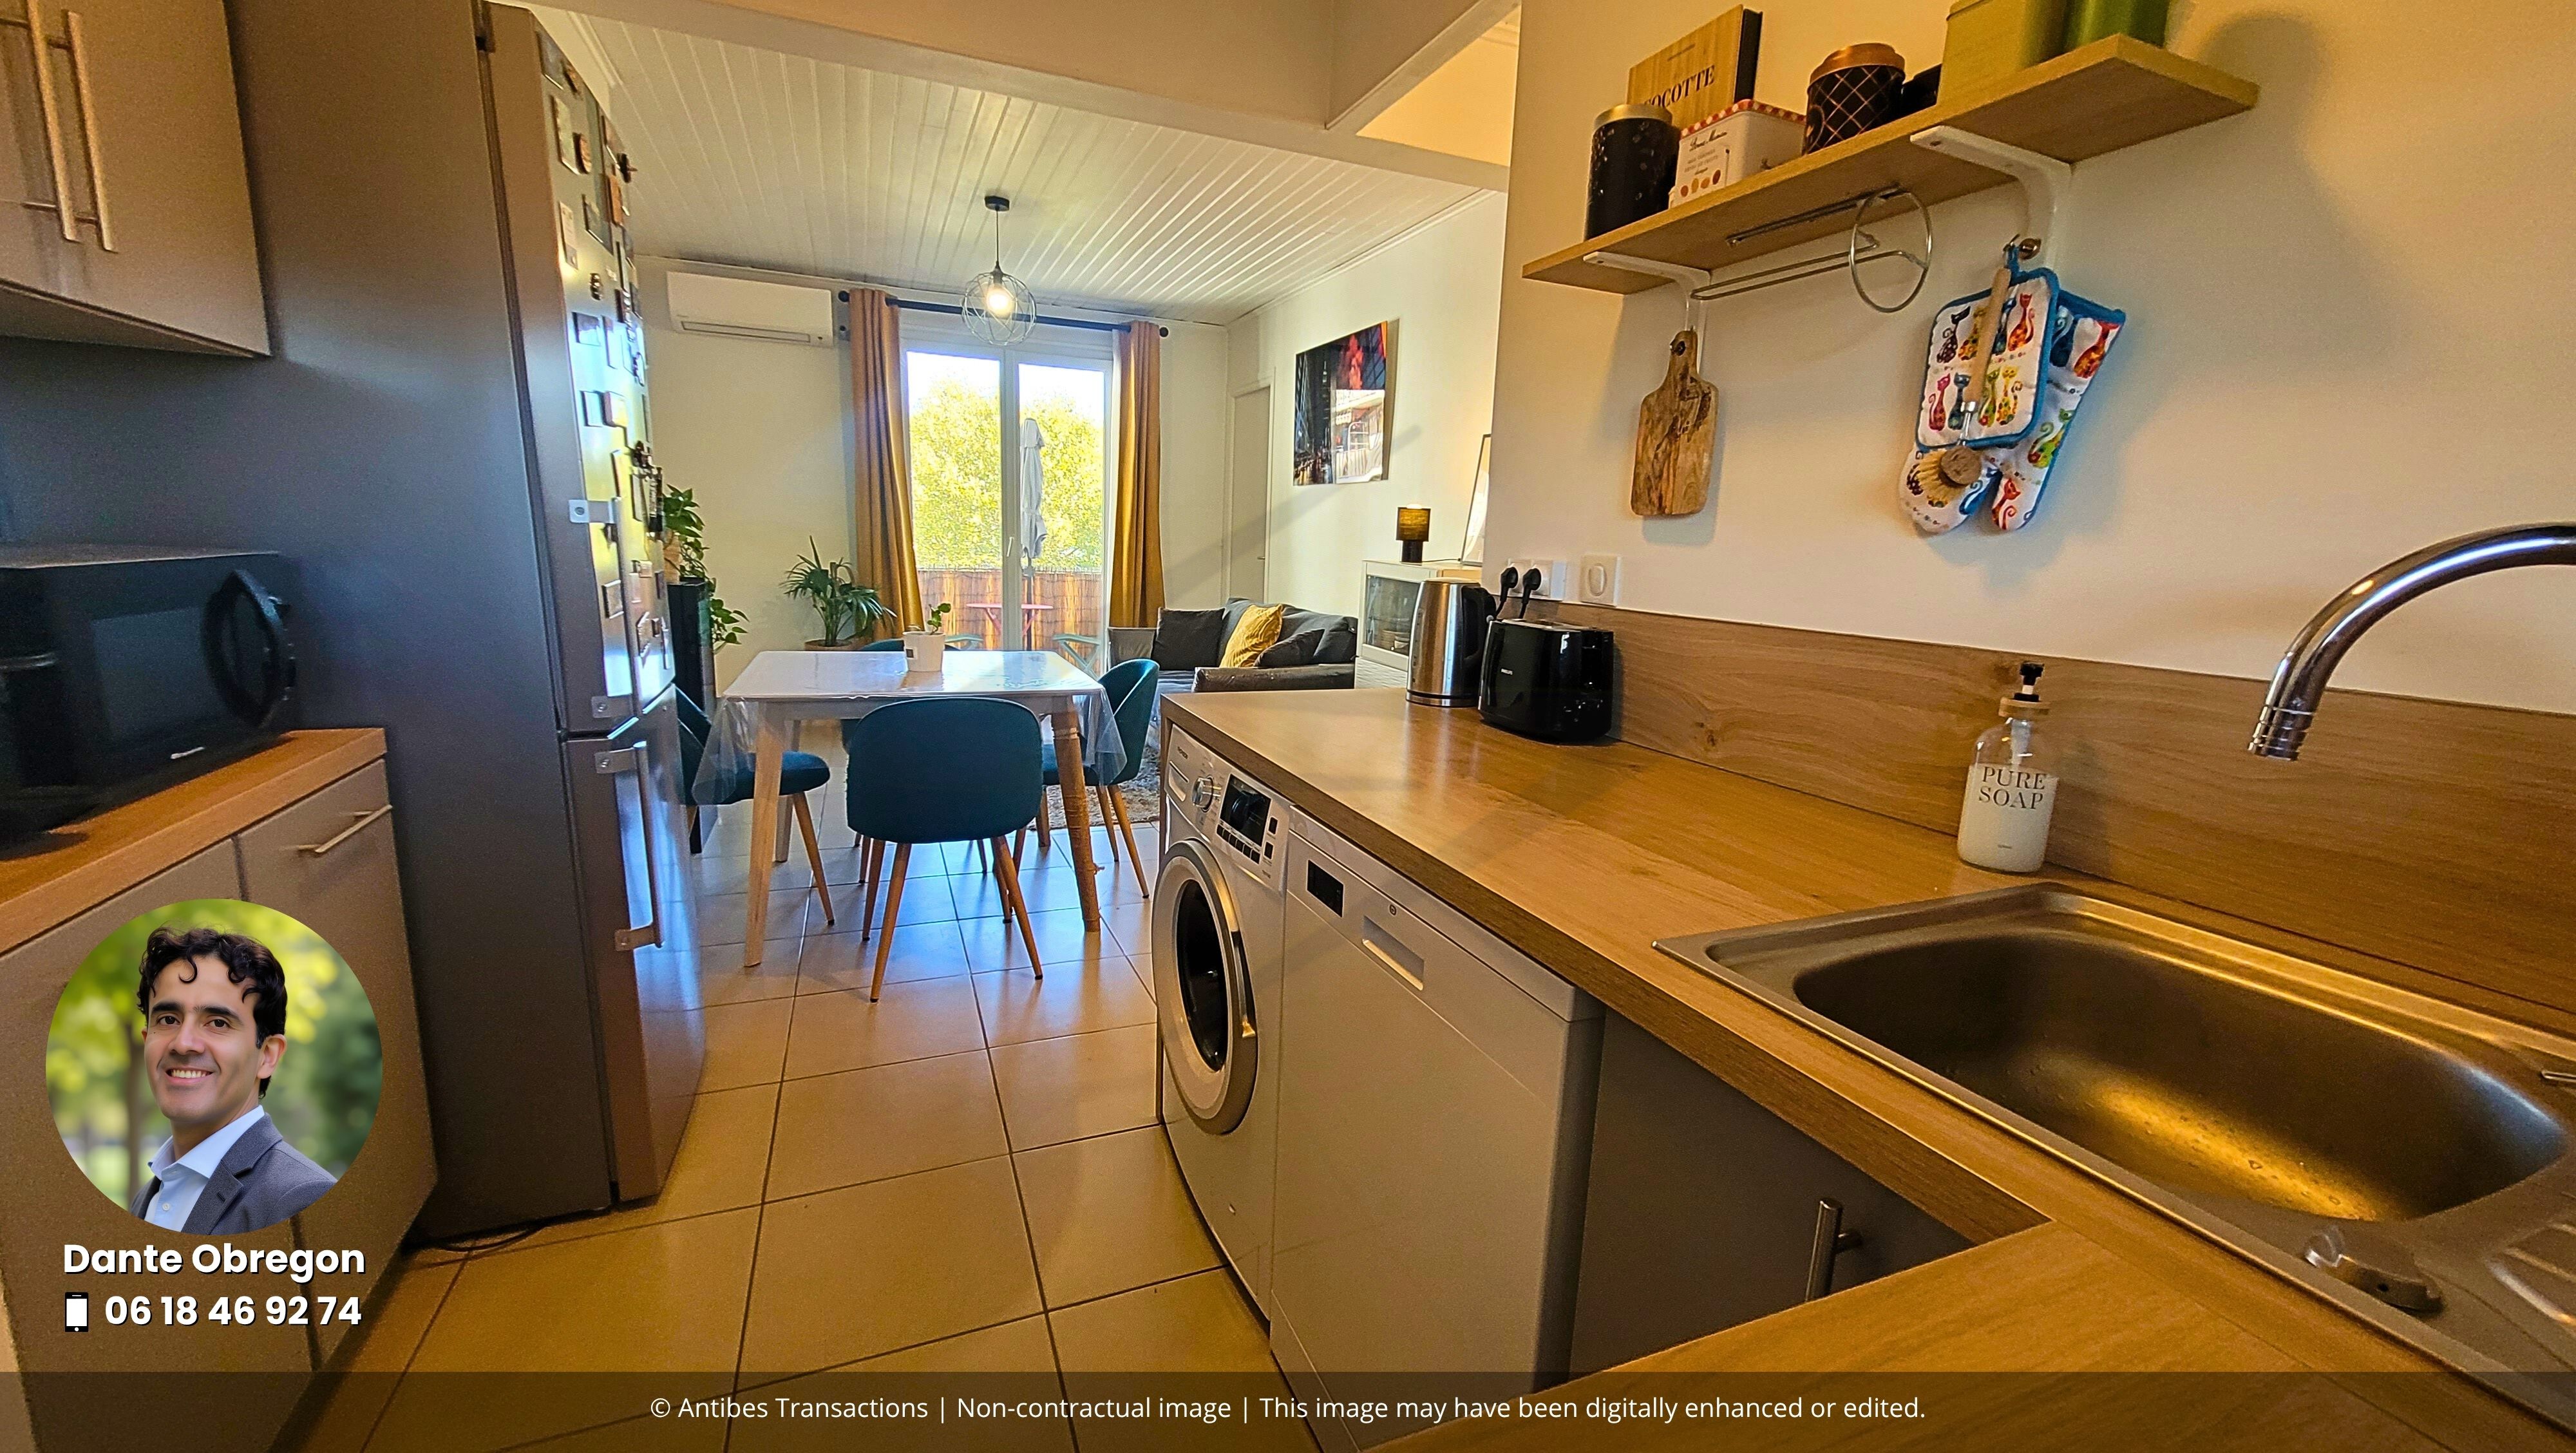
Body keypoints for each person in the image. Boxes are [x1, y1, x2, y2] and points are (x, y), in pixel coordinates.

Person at [127, 927, 335, 1233]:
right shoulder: (149, 1197)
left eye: (218, 1023)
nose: (183, 1044)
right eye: (168, 1020)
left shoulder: (303, 1201)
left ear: (267, 1056)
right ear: (147, 1041)